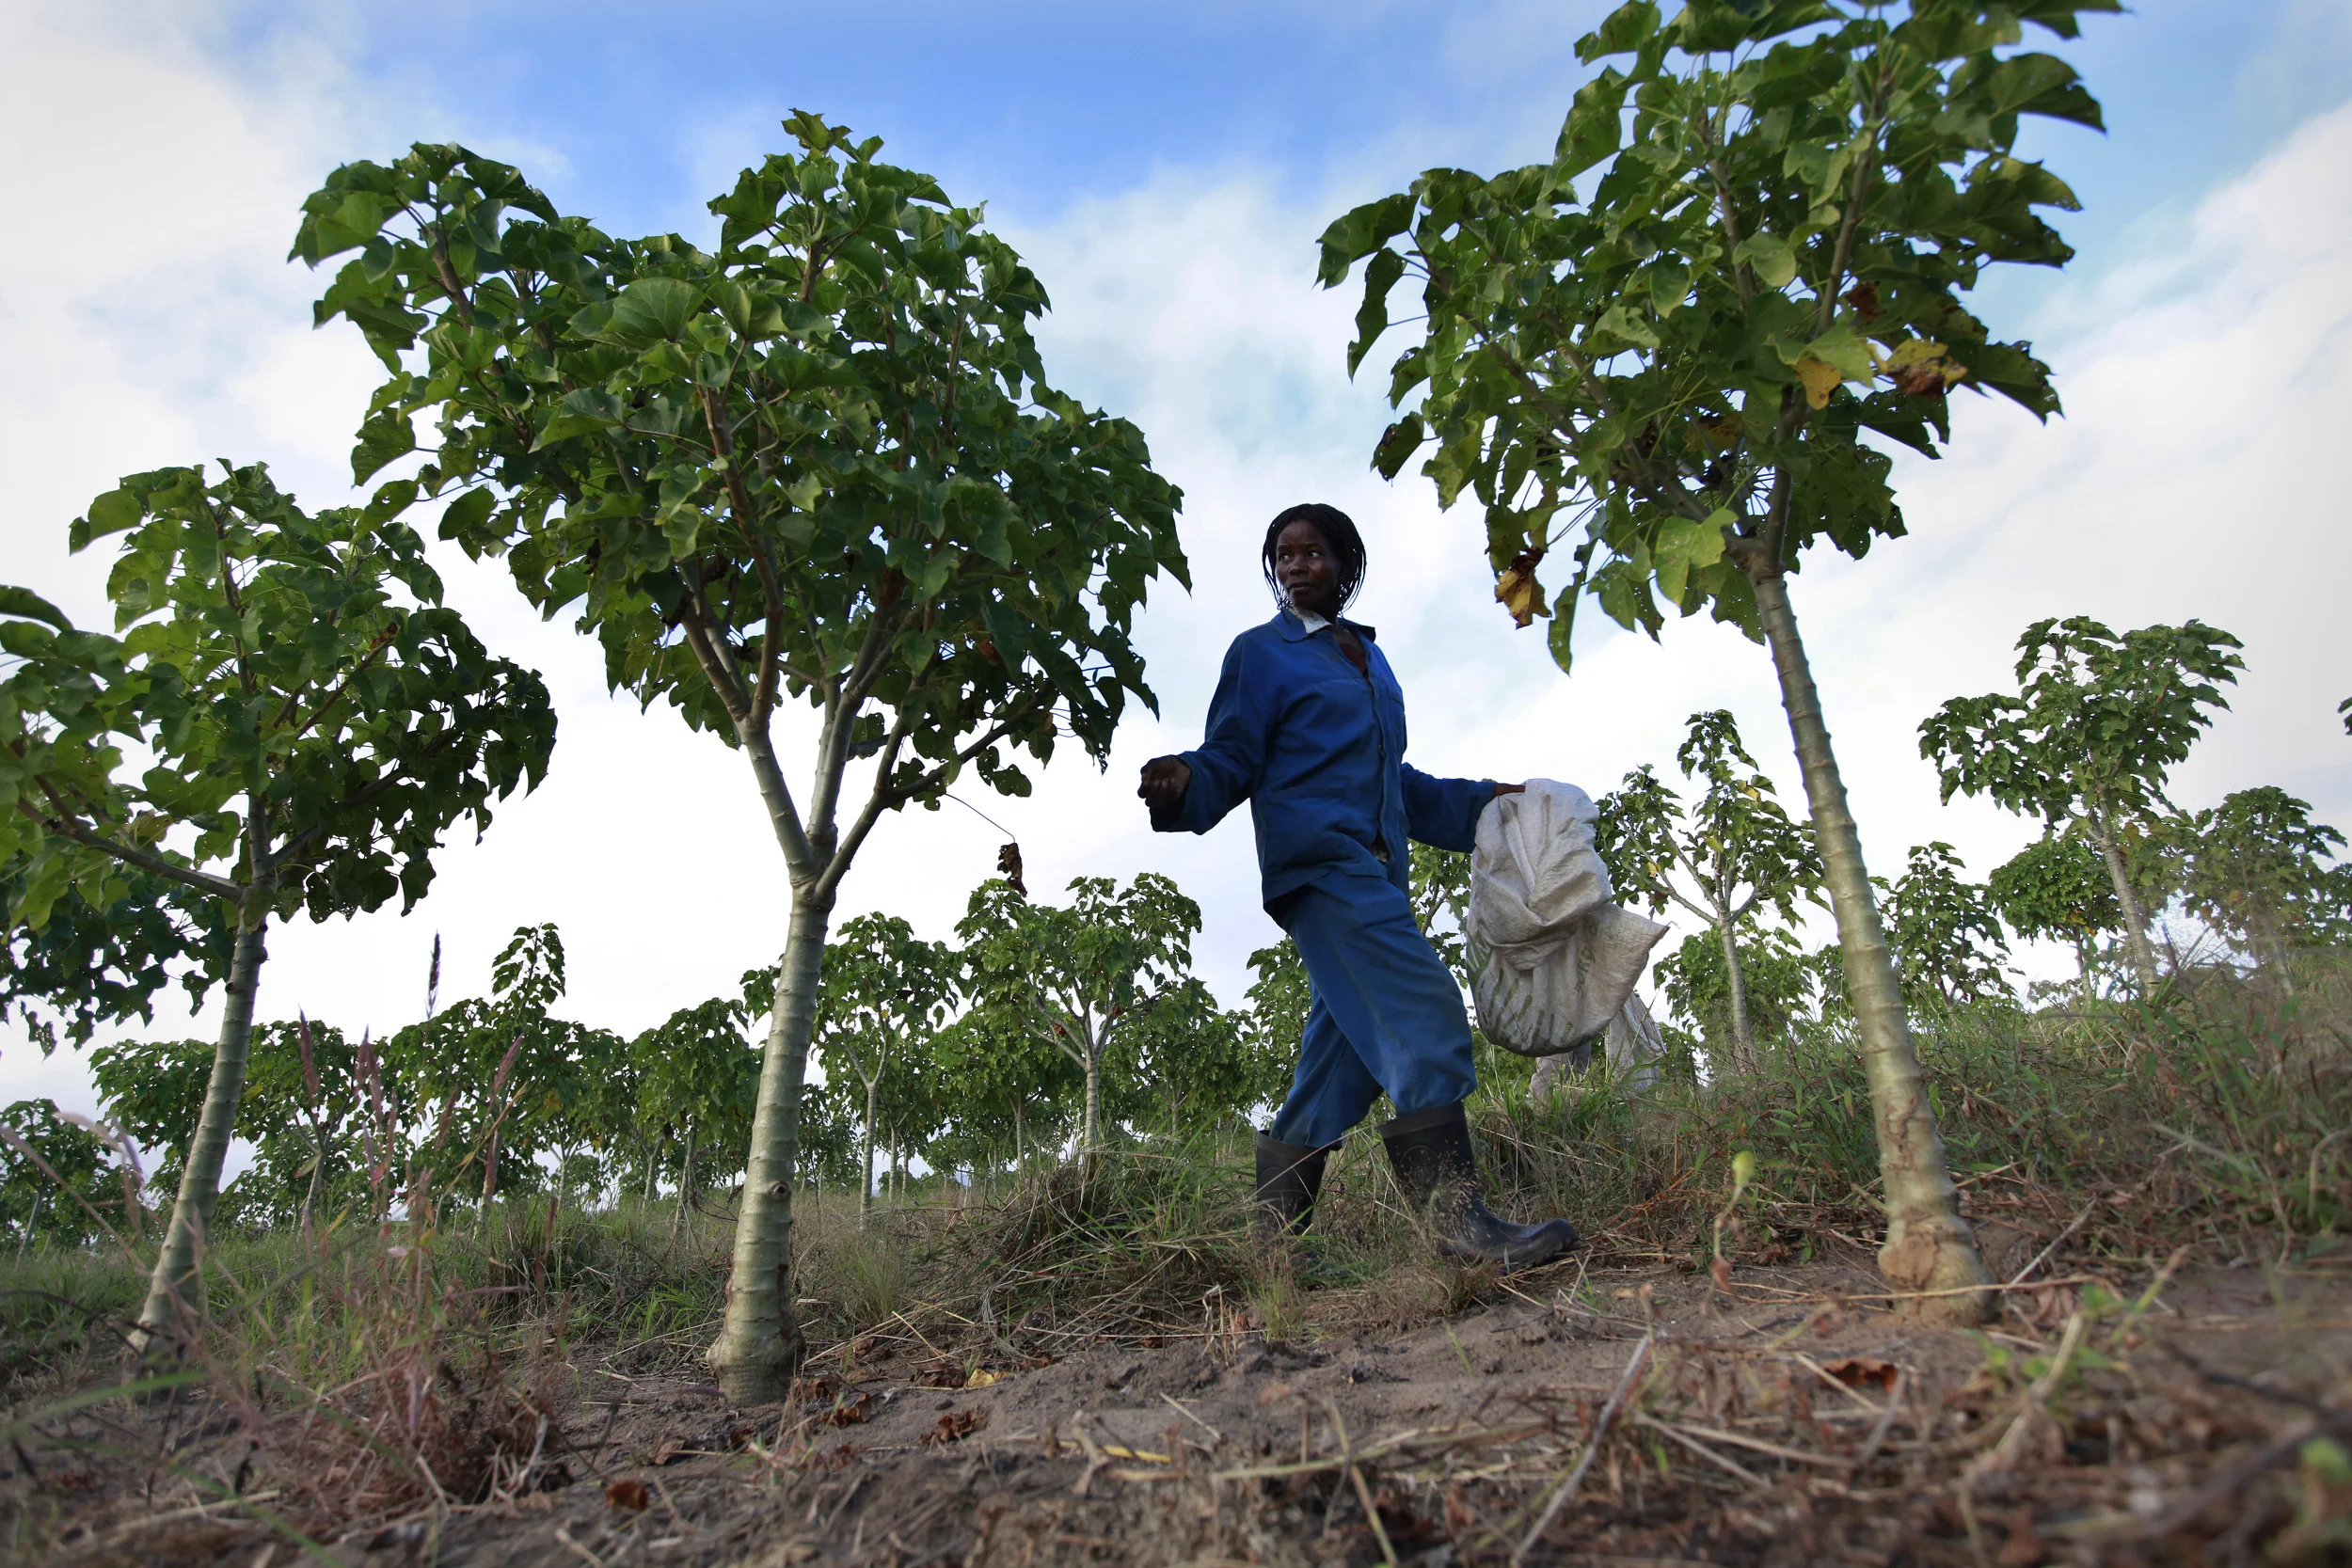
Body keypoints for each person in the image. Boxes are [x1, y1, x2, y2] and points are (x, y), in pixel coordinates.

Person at [1137, 502, 1578, 1270]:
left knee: (1334, 1073)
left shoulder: (1371, 663)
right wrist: (1184, 782)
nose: (1296, 565)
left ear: (1346, 563)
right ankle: (1461, 1229)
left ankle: (1272, 1253)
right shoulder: (1261, 654)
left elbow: (1393, 784)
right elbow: (1233, 753)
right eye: (1284, 554)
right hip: (1323, 868)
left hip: (1376, 871)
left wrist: (1480, 800)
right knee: (1426, 1011)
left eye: (1313, 552)